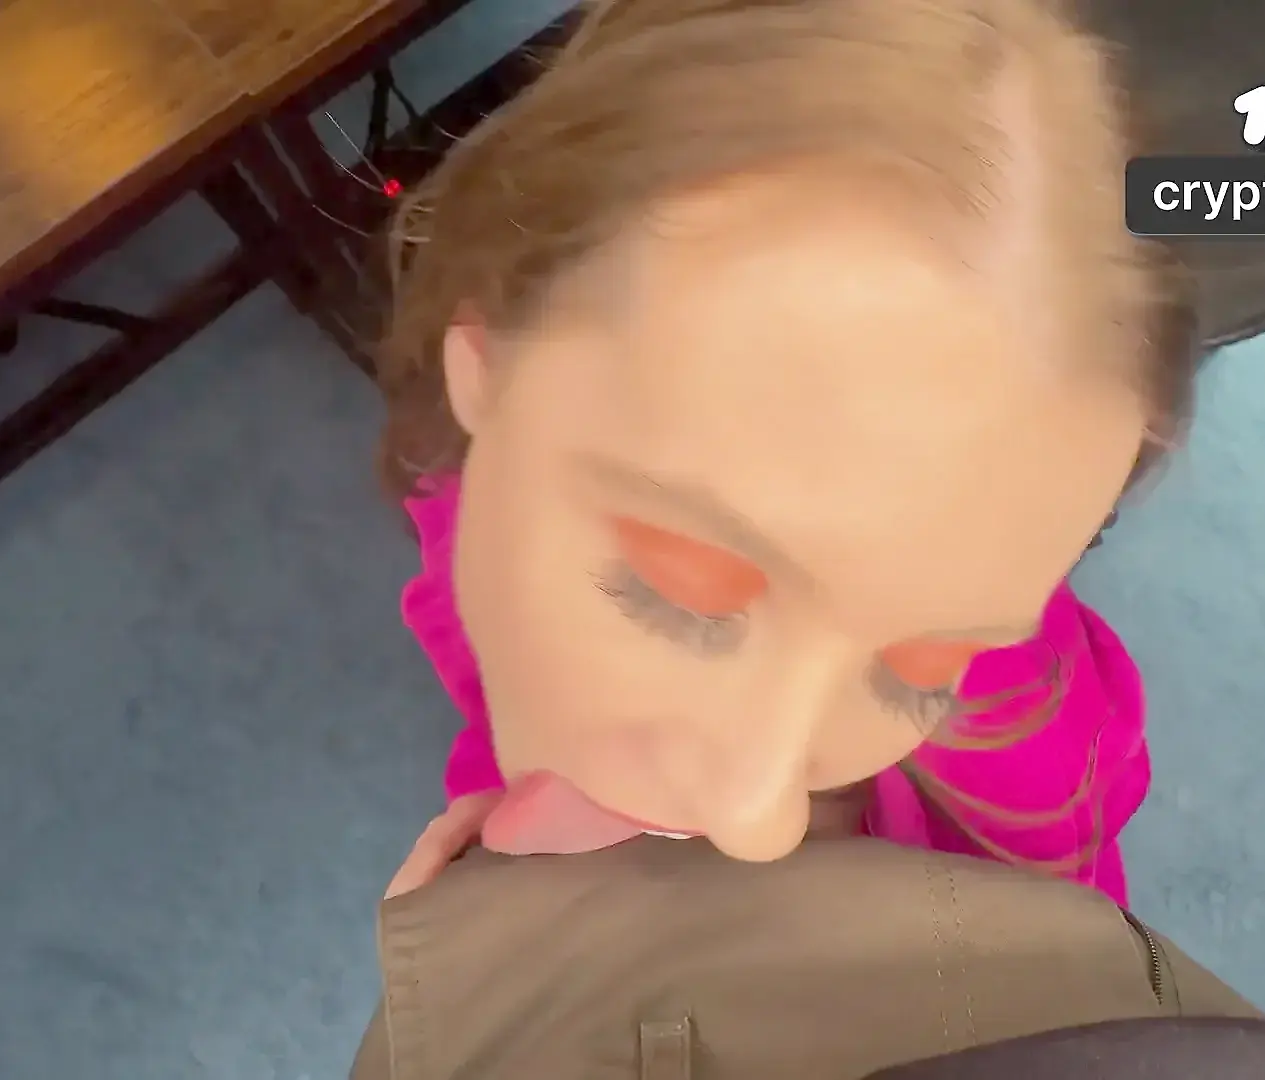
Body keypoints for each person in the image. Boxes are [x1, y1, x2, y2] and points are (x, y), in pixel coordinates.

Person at [373, 0, 1201, 905]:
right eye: (676, 597)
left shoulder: (1030, 789)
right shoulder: (474, 502)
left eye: (920, 675)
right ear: (484, 361)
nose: (759, 819)